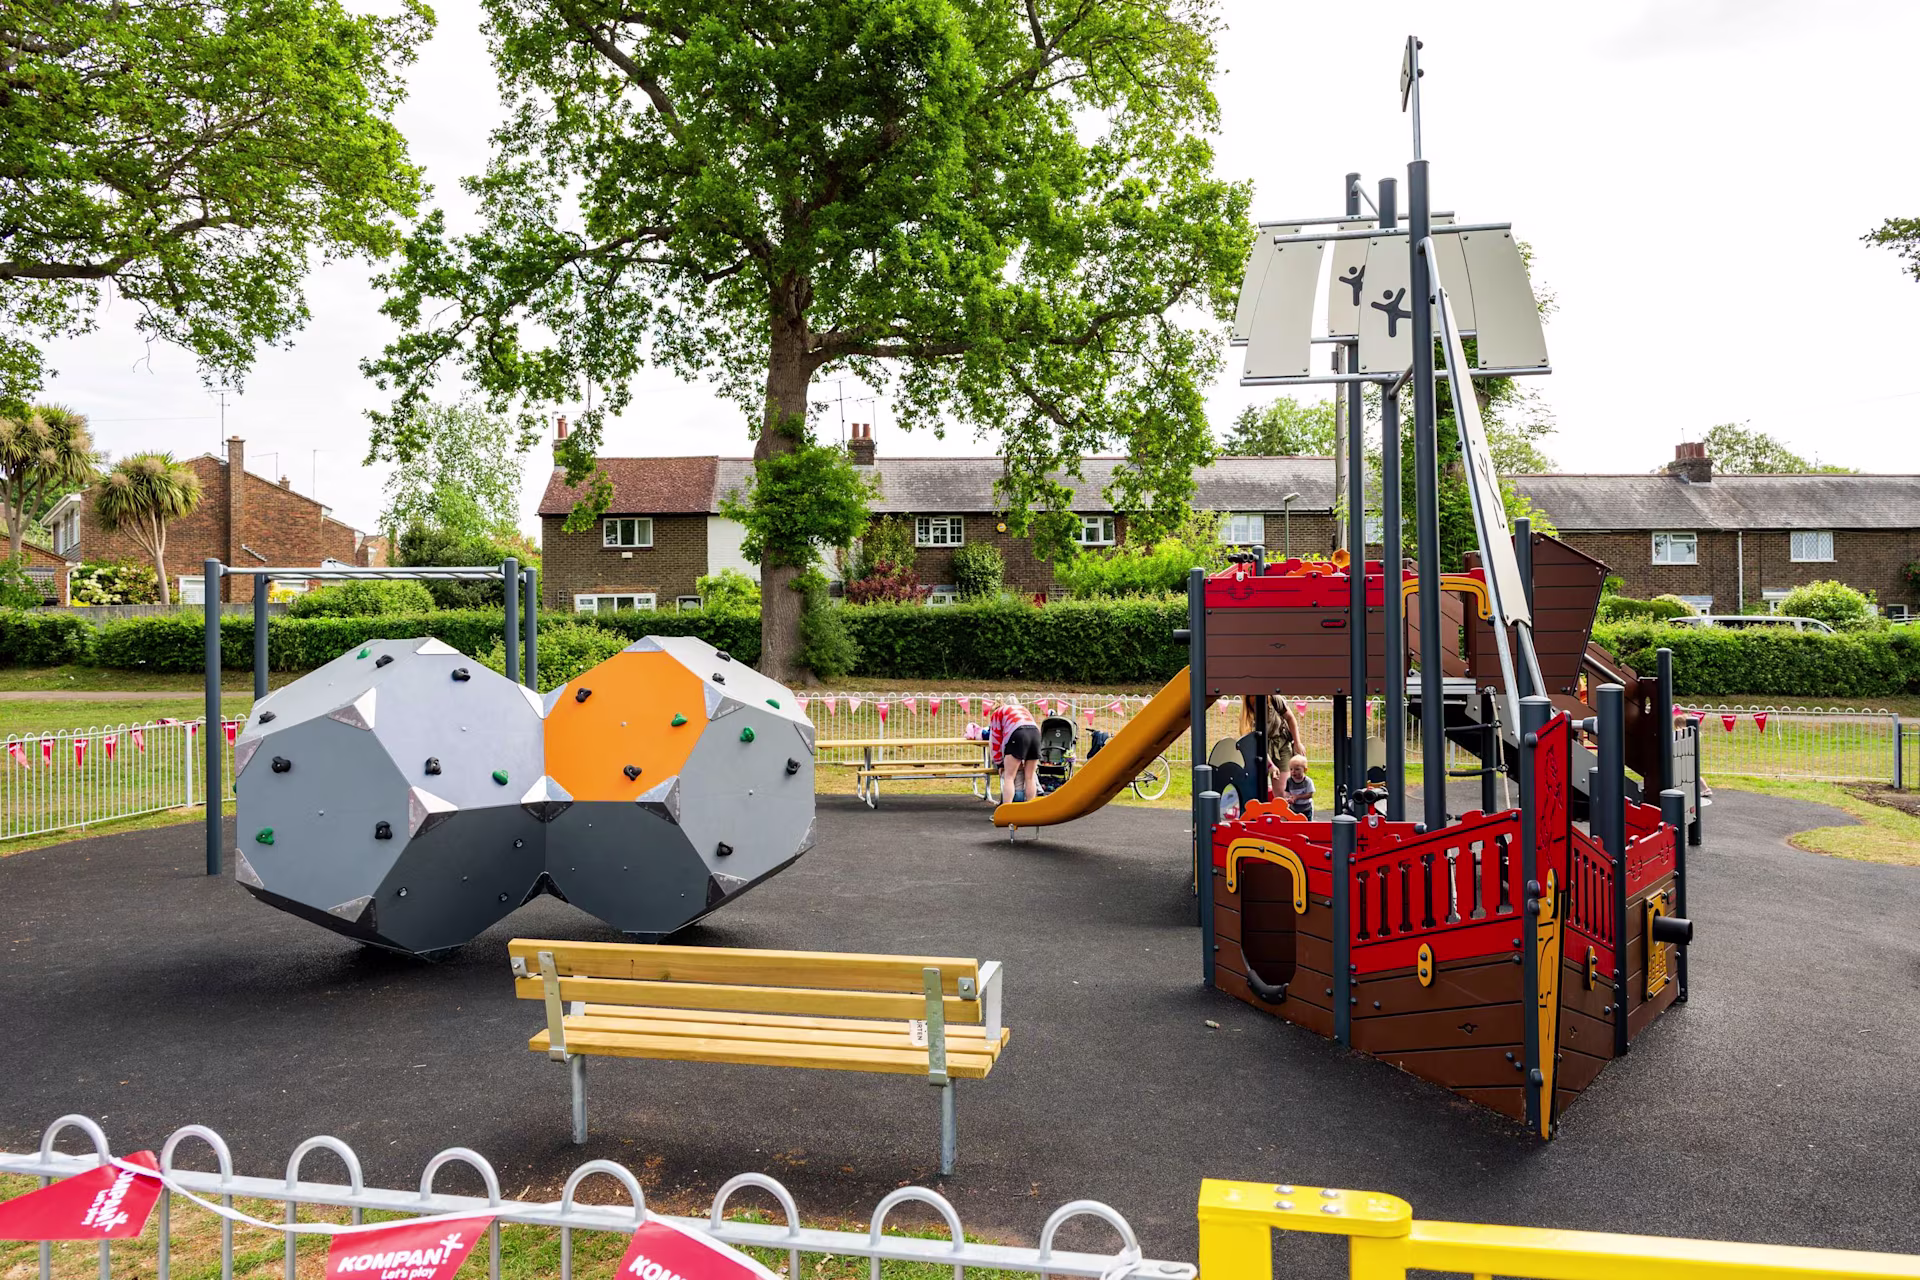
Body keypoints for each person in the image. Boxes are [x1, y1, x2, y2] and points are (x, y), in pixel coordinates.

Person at [1236, 695, 1302, 795]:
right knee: (1257, 788)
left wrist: (1297, 743)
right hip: (1260, 749)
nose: (1258, 707)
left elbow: (1290, 718)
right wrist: (1271, 765)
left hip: (1281, 744)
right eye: (1254, 704)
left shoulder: (1275, 700)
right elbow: (1258, 744)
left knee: (1283, 791)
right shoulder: (1249, 719)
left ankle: (1281, 808)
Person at [987, 700, 1042, 813]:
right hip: (1035, 734)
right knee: (1030, 776)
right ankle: (1031, 810)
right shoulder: (1022, 708)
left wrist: (999, 763)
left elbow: (995, 740)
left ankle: (1007, 811)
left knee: (1009, 776)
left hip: (1018, 733)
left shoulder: (997, 714)